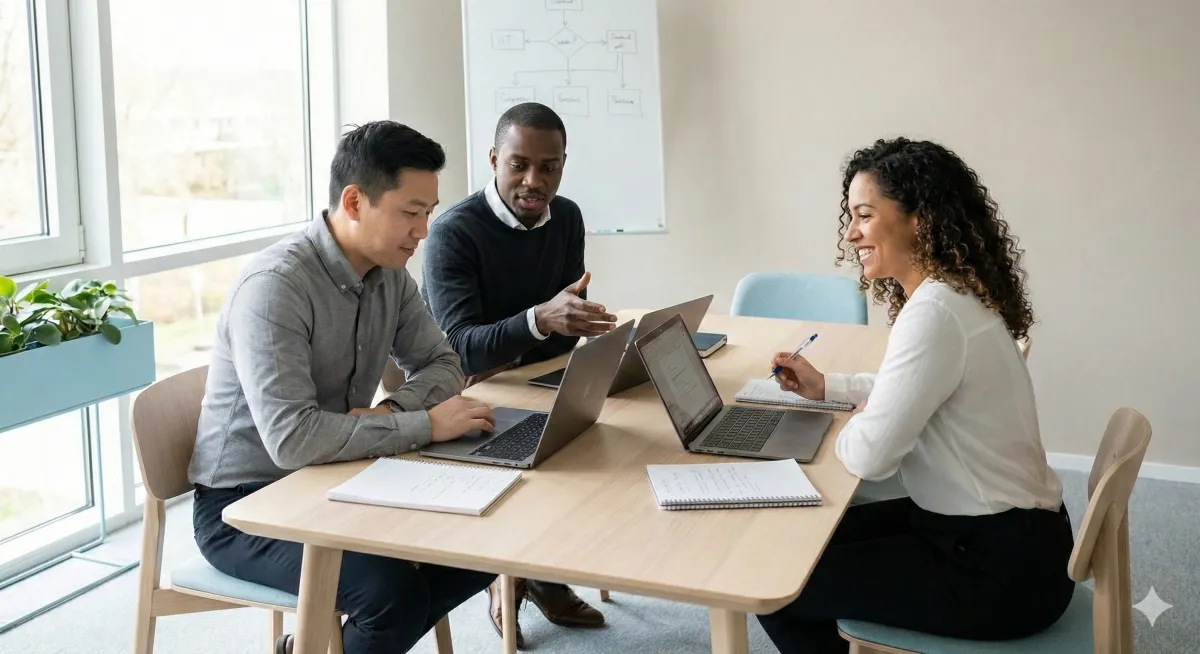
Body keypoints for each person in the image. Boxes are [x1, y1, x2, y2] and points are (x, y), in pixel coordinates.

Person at [187, 121, 498, 654]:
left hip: (341, 474)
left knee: (483, 547)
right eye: (410, 212)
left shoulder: (390, 274)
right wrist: (421, 424)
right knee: (391, 597)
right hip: (246, 505)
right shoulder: (275, 289)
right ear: (354, 202)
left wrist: (390, 413)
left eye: (428, 212)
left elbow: (443, 363)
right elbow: (293, 442)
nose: (423, 231)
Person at [755, 137, 1075, 653]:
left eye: (864, 215)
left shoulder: (935, 312)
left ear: (919, 220)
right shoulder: (950, 295)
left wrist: (863, 421)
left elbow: (871, 456)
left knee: (773, 584)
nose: (851, 232)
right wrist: (829, 388)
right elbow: (910, 390)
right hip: (1009, 536)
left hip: (998, 571)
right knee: (802, 542)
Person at [419, 102, 614, 647]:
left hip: (531, 375)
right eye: (519, 165)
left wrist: (576, 322)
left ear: (563, 165)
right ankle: (507, 578)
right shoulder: (452, 233)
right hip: (463, 392)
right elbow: (460, 351)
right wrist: (539, 320)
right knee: (534, 453)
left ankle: (540, 572)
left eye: (549, 167)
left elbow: (562, 322)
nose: (534, 181)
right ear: (493, 160)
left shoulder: (568, 216)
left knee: (592, 439)